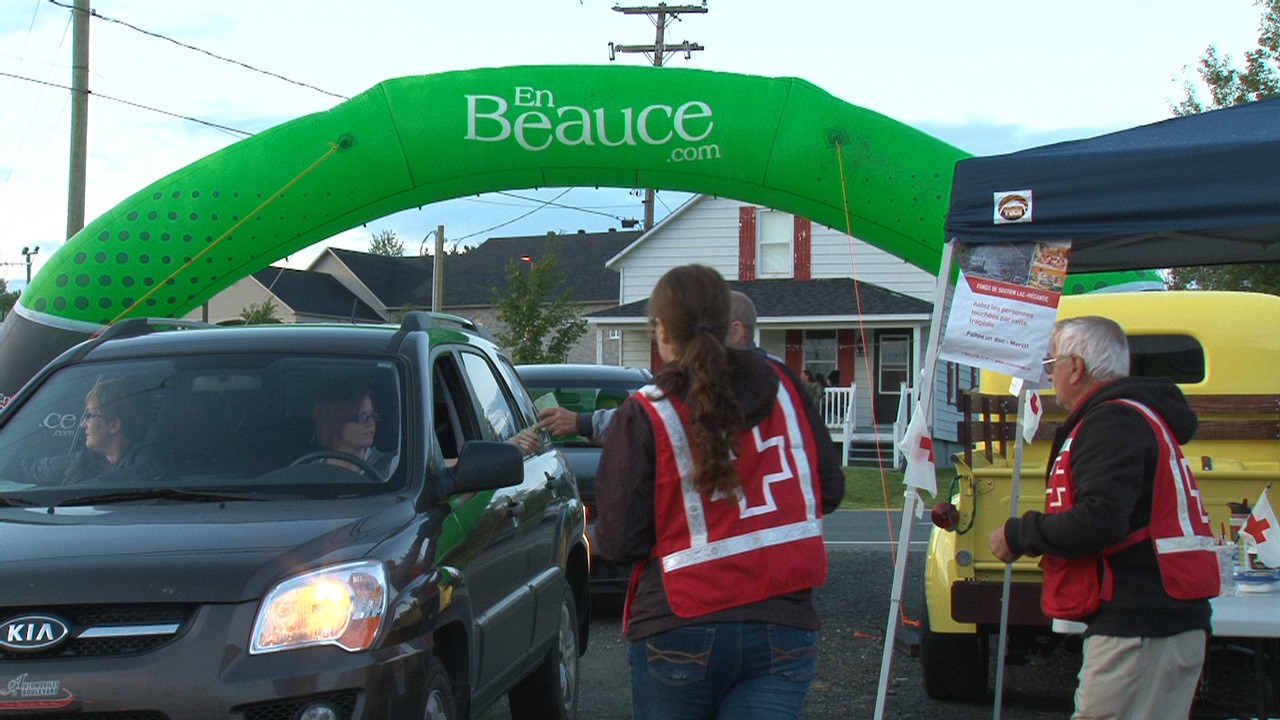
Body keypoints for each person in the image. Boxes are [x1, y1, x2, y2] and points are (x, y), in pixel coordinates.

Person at [594, 264, 845, 720]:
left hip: (679, 622)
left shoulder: (644, 414)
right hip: (782, 623)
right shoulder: (789, 389)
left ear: (664, 332)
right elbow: (828, 490)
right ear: (730, 322)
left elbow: (618, 542)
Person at [987, 316, 1216, 720]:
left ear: (1075, 367)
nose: (1050, 374)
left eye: (1052, 363)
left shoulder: (1112, 421)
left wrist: (1019, 533)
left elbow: (1099, 520)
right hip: (1160, 620)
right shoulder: (1134, 416)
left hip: (1140, 625)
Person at [536, 290, 762, 443]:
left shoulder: (713, 379)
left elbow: (648, 419)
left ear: (737, 330)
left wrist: (580, 422)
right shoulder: (784, 383)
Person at [14, 377, 163, 486]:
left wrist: (78, 490)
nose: (82, 424)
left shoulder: (149, 462)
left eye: (90, 416)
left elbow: (144, 476)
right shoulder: (84, 460)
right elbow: (33, 469)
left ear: (114, 425)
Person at [312, 381, 394, 477]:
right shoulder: (311, 471)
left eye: (372, 416)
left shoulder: (391, 466)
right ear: (335, 423)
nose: (371, 423)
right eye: (361, 417)